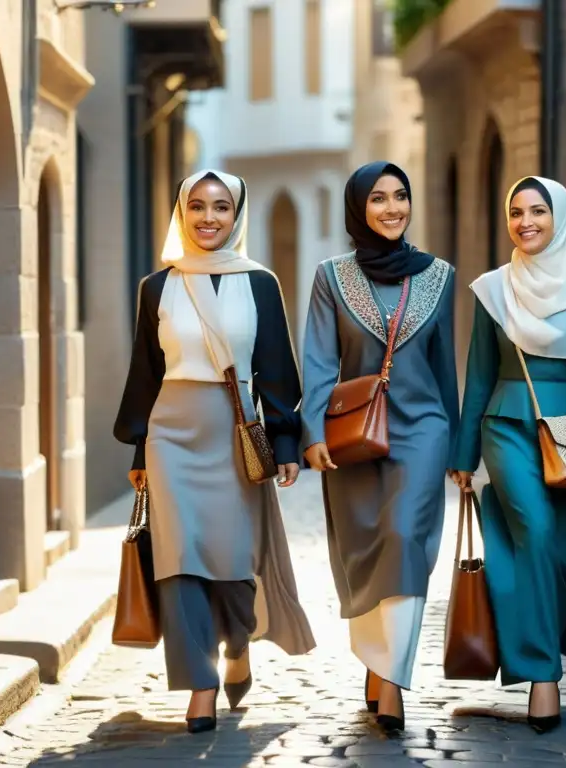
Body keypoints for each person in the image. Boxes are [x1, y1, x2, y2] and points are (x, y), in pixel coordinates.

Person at [113, 169, 315, 734]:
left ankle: (238, 644)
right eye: (197, 206)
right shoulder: (158, 287)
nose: (208, 218)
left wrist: (285, 440)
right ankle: (199, 685)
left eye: (221, 207)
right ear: (182, 213)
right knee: (178, 561)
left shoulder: (260, 283)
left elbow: (276, 369)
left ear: (236, 214)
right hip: (171, 433)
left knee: (231, 560)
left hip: (235, 430)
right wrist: (138, 452)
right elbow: (145, 373)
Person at [450, 176, 566, 734]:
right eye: (516, 211)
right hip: (506, 427)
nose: (525, 221)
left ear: (560, 219)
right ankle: (542, 677)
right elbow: (479, 376)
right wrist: (464, 454)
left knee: (562, 548)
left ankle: (543, 648)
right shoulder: (493, 289)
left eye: (538, 211)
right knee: (532, 529)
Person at [301, 161, 459, 732]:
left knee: (402, 539)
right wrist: (312, 434)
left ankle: (391, 682)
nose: (392, 208)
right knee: (364, 551)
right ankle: (376, 661)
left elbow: (446, 369)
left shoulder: (438, 276)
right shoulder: (332, 276)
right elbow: (318, 359)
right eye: (378, 199)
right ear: (358, 210)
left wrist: (459, 448)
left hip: (422, 431)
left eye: (400, 196)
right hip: (352, 437)